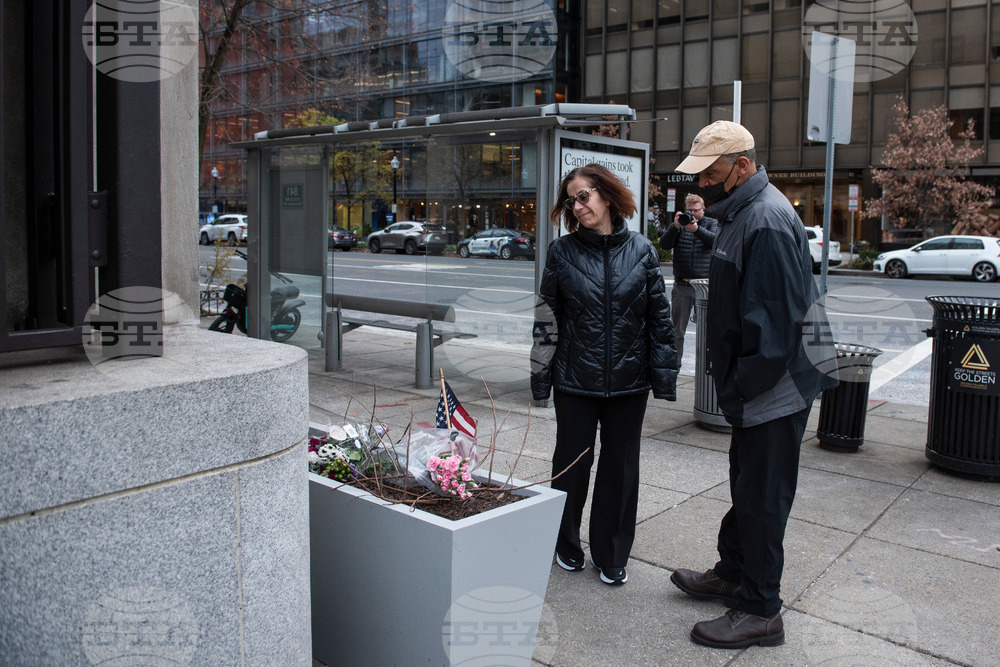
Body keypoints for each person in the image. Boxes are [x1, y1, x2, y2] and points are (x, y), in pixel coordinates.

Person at [668, 121, 837, 647]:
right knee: (748, 486)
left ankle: (761, 610)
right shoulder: (745, 212)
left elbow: (775, 328)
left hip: (773, 387)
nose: (702, 184)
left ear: (741, 166)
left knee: (763, 497)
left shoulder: (764, 218)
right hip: (763, 383)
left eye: (710, 173)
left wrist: (738, 388)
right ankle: (734, 573)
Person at [531, 163, 678, 586]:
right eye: (571, 201)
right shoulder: (562, 252)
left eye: (584, 196)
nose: (577, 207)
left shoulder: (642, 250)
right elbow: (547, 320)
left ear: (607, 196)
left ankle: (612, 553)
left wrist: (663, 377)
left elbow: (659, 319)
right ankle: (565, 543)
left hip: (629, 382)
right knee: (571, 465)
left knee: (621, 468)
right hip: (575, 380)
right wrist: (541, 377)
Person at [657, 194, 717, 369]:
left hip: (705, 286)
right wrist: (675, 226)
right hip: (682, 285)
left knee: (708, 331)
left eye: (695, 211)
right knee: (677, 331)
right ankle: (674, 368)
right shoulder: (680, 225)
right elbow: (664, 245)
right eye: (689, 211)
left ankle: (707, 368)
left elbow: (715, 241)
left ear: (703, 209)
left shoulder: (711, 223)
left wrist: (697, 230)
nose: (692, 214)